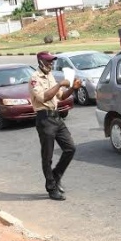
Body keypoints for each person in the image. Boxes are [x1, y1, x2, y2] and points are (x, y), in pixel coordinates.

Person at [30, 52, 81, 201]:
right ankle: (51, 187)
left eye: (52, 62)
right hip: (44, 119)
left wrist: (73, 88)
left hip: (56, 117)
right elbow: (44, 97)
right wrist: (60, 84)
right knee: (48, 156)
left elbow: (61, 96)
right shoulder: (34, 78)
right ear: (40, 62)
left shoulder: (51, 76)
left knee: (70, 148)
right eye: (48, 62)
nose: (51, 64)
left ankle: (56, 175)